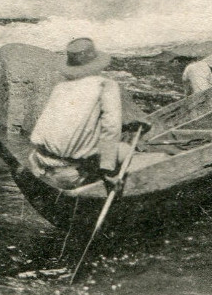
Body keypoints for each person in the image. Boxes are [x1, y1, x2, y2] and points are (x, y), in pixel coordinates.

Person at [28, 38, 140, 190]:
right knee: (125, 150)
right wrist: (107, 172)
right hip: (71, 173)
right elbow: (111, 128)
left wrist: (126, 126)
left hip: (40, 164)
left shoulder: (60, 88)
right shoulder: (106, 85)